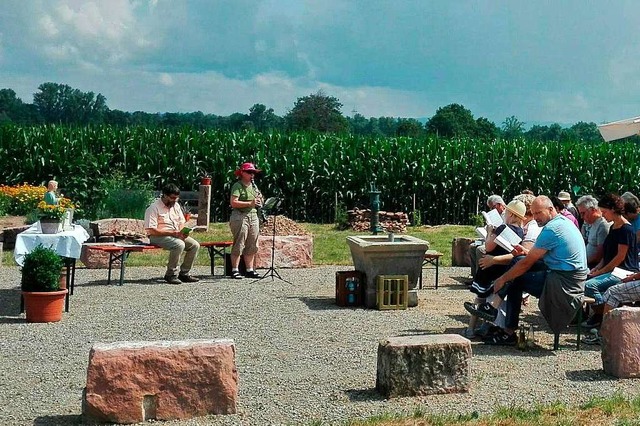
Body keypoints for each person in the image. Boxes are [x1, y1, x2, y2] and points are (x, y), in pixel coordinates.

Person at [466, 195, 588, 345]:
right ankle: (497, 316)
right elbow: (540, 256)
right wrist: (524, 251)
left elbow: (527, 264)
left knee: (516, 277)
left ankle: (505, 328)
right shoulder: (563, 223)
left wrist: (502, 279)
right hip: (566, 275)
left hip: (564, 284)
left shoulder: (552, 229)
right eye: (533, 213)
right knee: (517, 263)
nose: (535, 217)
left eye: (538, 213)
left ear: (551, 210)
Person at [582, 193, 638, 329]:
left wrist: (600, 271)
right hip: (613, 269)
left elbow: (620, 257)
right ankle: (600, 313)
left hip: (624, 271)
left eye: (605, 212)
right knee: (586, 279)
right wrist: (597, 269)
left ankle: (602, 315)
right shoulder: (613, 227)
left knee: (590, 285)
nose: (603, 215)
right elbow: (607, 255)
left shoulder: (626, 230)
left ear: (613, 209)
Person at [144, 183, 200, 284]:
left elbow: (181, 222)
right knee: (179, 244)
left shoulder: (176, 206)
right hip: (157, 236)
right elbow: (151, 230)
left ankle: (184, 273)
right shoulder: (153, 208)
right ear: (164, 195)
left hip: (175, 234)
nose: (174, 200)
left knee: (195, 245)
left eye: (176, 198)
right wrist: (173, 233)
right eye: (172, 198)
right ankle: (171, 274)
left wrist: (183, 231)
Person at [229, 162, 263, 279]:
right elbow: (233, 202)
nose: (252, 175)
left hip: (253, 216)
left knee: (252, 243)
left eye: (253, 172)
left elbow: (258, 200)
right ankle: (235, 269)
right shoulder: (237, 186)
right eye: (249, 172)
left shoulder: (254, 187)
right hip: (240, 216)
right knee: (239, 242)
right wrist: (250, 203)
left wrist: (260, 201)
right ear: (242, 173)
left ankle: (249, 269)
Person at [468, 195, 507, 279]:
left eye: (493, 207)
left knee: (480, 250)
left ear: (500, 205)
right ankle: (475, 277)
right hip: (491, 238)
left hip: (499, 242)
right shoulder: (497, 215)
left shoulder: (506, 215)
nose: (492, 210)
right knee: (472, 246)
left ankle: (481, 278)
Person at [576, 195, 610, 268]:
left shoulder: (602, 225)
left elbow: (600, 255)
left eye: (583, 213)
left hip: (593, 266)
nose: (581, 217)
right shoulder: (591, 223)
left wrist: (582, 263)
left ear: (593, 210)